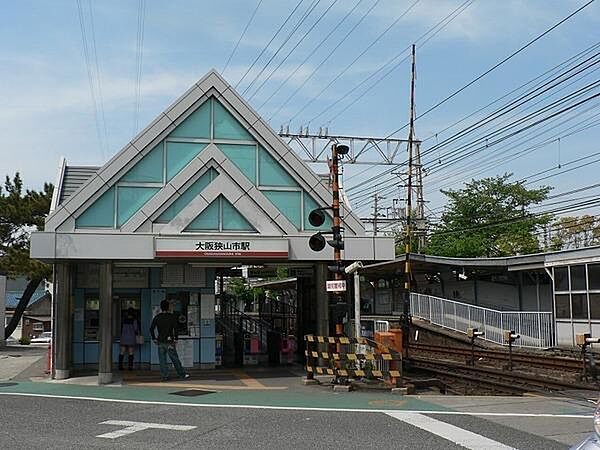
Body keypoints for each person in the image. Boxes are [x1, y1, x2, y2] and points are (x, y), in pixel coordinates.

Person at [150, 300, 190, 381]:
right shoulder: (171, 317)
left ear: (161, 307)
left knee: (162, 360)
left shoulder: (157, 317)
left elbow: (151, 329)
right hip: (169, 342)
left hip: (160, 341)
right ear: (168, 307)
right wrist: (176, 338)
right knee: (175, 359)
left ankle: (165, 376)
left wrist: (154, 338)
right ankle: (182, 374)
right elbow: (176, 328)